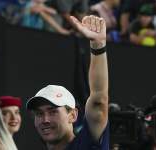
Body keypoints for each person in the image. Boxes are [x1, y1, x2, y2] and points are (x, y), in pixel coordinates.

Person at [26, 15, 109, 150]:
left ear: (73, 115)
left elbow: (99, 100)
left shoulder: (85, 145)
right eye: (39, 114)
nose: (45, 120)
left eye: (53, 112)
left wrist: (98, 45)